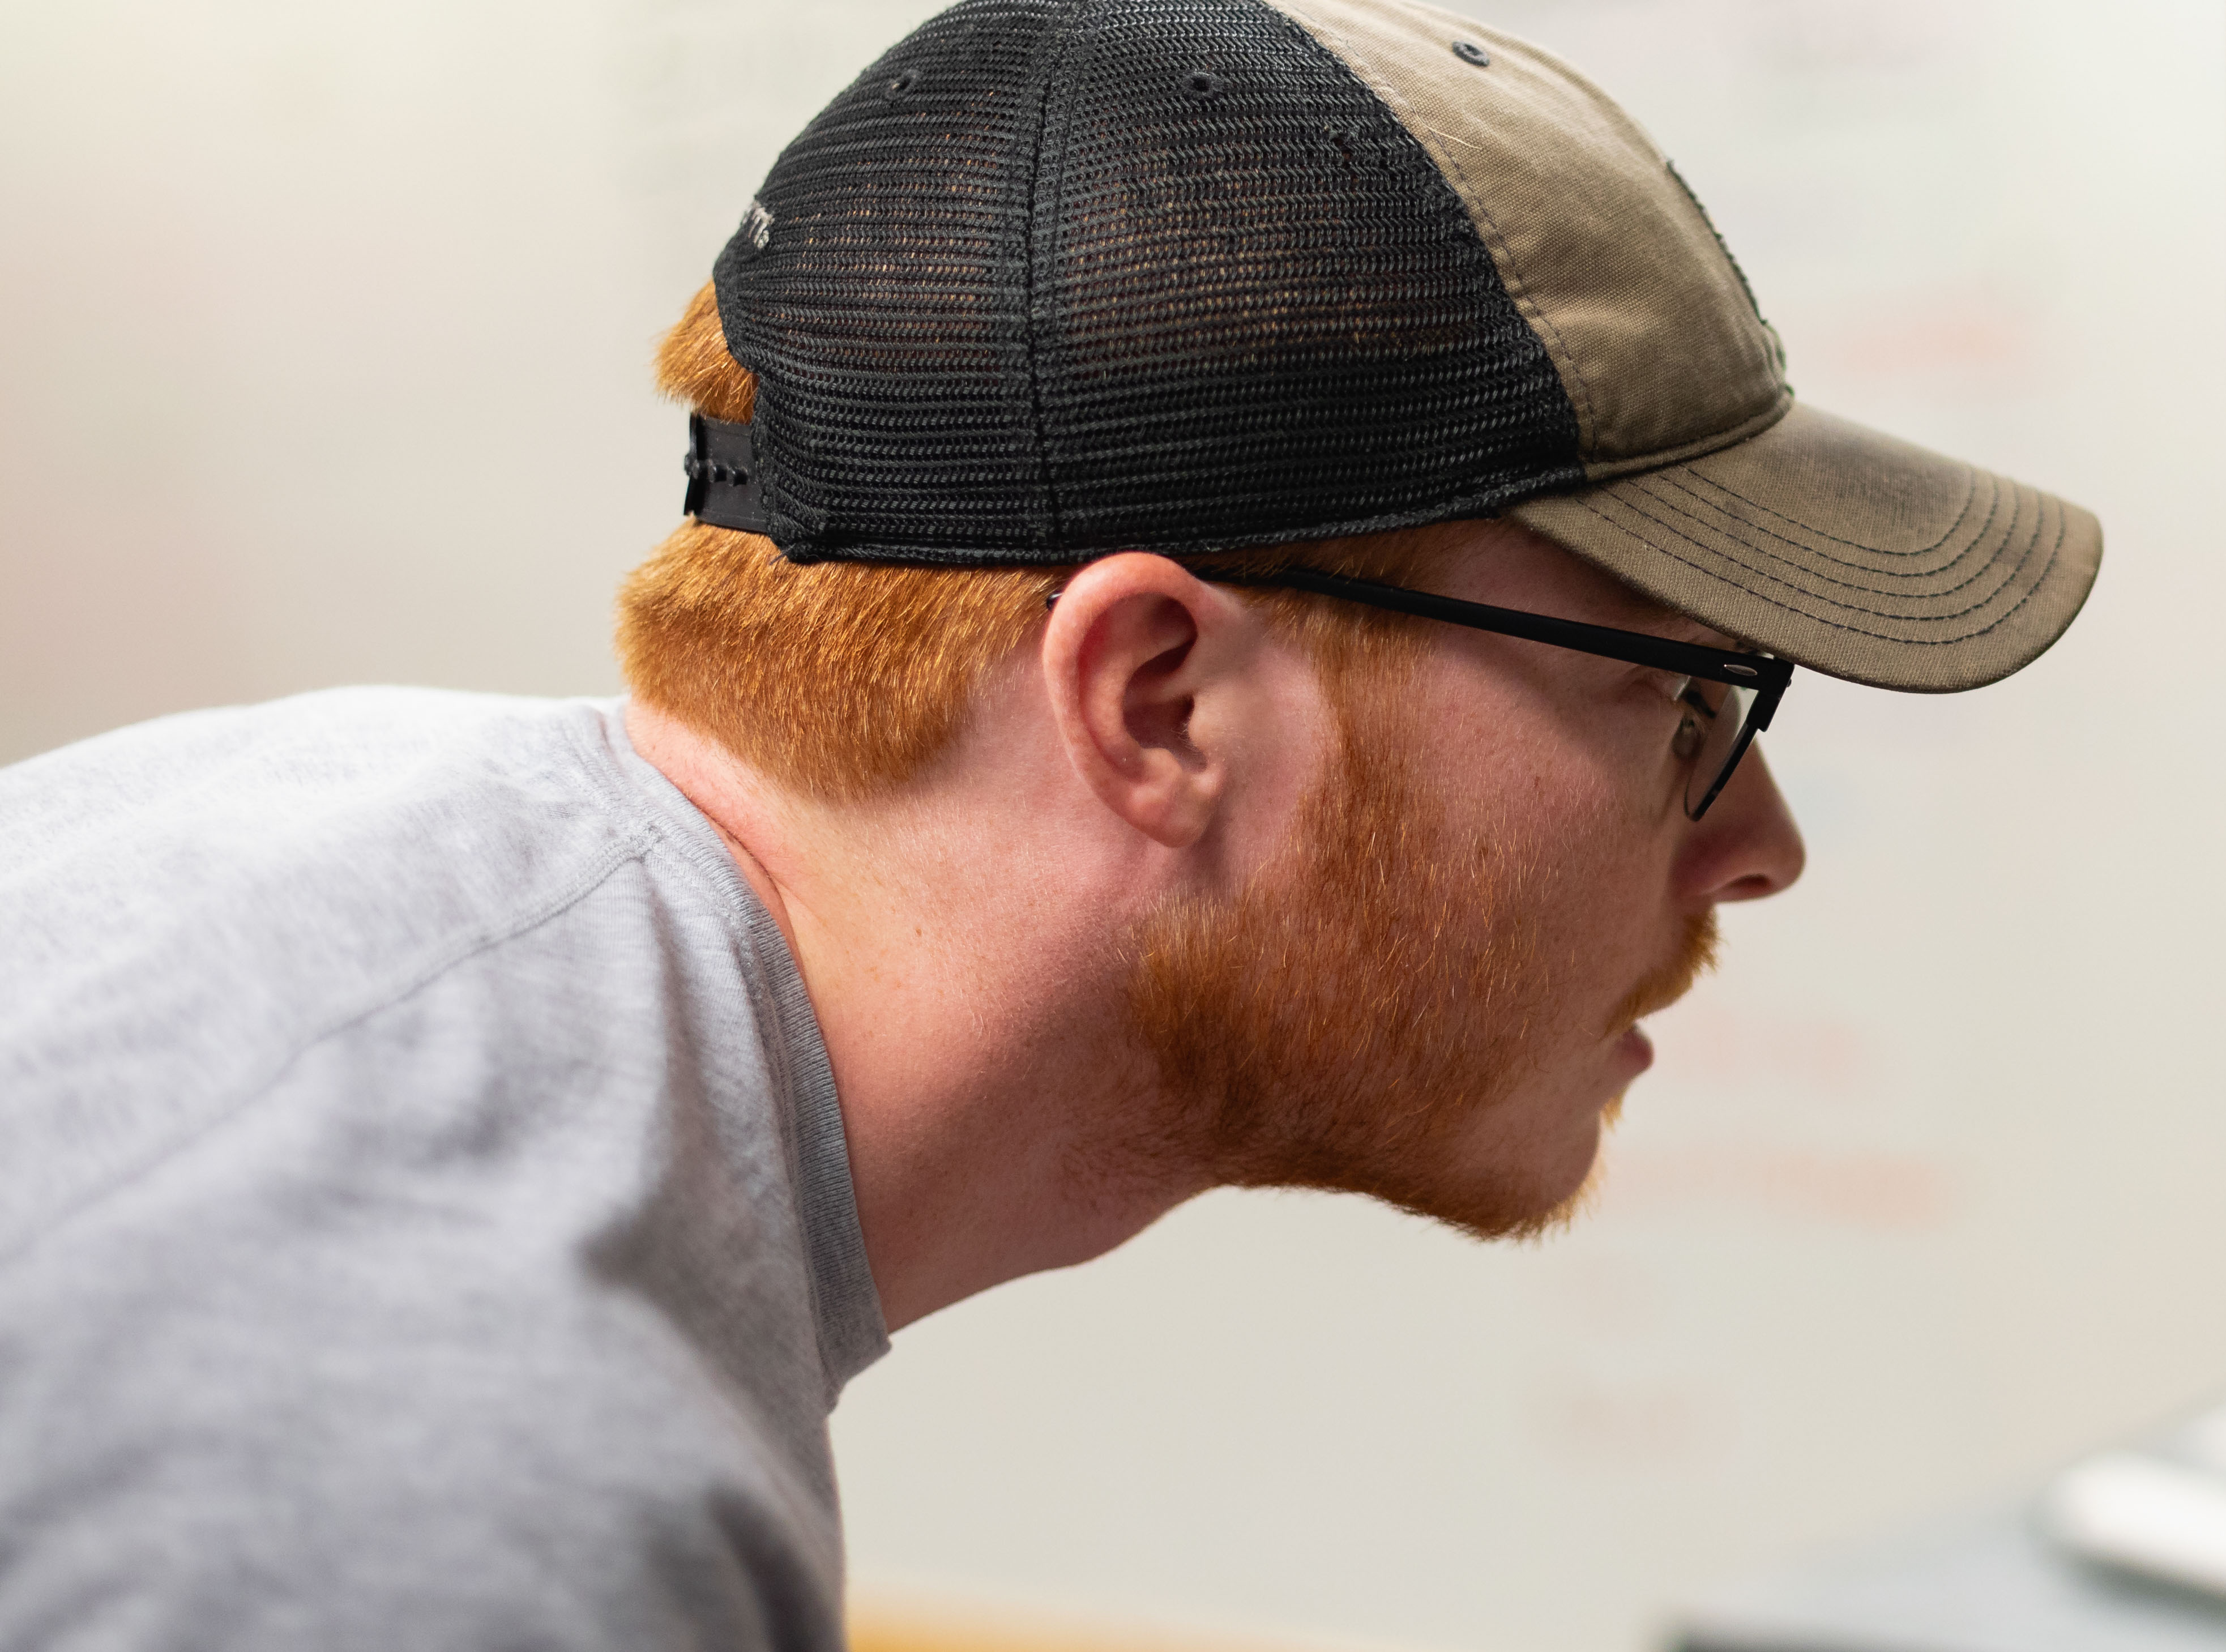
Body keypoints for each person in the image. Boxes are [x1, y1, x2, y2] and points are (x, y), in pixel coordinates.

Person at [0, 1, 2100, 1645]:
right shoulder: (441, 1499)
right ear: (1159, 701)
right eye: (1674, 699)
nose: (1759, 847)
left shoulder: (341, 849)